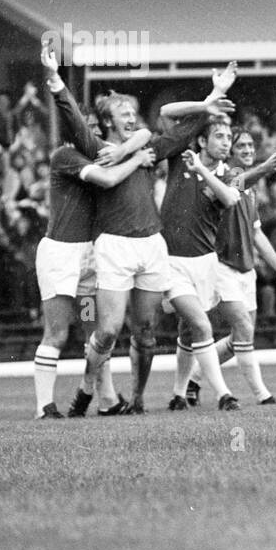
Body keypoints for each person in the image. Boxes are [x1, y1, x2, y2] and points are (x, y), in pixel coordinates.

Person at [72, 64, 239, 416]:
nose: (131, 117)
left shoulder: (147, 146)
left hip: (148, 244)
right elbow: (113, 167)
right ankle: (87, 388)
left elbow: (177, 132)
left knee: (146, 330)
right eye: (123, 113)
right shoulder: (97, 150)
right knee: (106, 330)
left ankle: (134, 399)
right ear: (106, 121)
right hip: (109, 245)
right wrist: (133, 155)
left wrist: (214, 95)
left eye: (132, 112)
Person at [33, 41, 155, 418]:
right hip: (61, 255)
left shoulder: (105, 151)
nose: (90, 134)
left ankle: (107, 399)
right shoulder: (66, 156)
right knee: (57, 331)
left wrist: (134, 148)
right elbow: (108, 179)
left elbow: (144, 134)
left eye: (93, 128)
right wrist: (136, 158)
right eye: (84, 127)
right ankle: (44, 406)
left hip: (89, 258)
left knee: (93, 330)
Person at [185, 130, 276, 406]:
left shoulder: (251, 188)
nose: (248, 149)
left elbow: (256, 234)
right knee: (242, 327)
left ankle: (192, 380)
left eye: (251, 145)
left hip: (246, 270)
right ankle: (263, 396)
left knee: (240, 335)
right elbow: (233, 186)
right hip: (221, 265)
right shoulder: (225, 176)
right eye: (241, 146)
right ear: (230, 151)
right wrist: (265, 168)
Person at [158, 114, 246, 412]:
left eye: (228, 137)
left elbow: (230, 199)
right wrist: (209, 102)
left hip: (205, 262)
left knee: (188, 329)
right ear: (201, 140)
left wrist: (202, 171)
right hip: (172, 261)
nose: (226, 143)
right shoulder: (180, 159)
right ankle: (224, 395)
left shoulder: (232, 172)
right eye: (219, 136)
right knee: (200, 324)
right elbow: (166, 113)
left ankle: (178, 394)